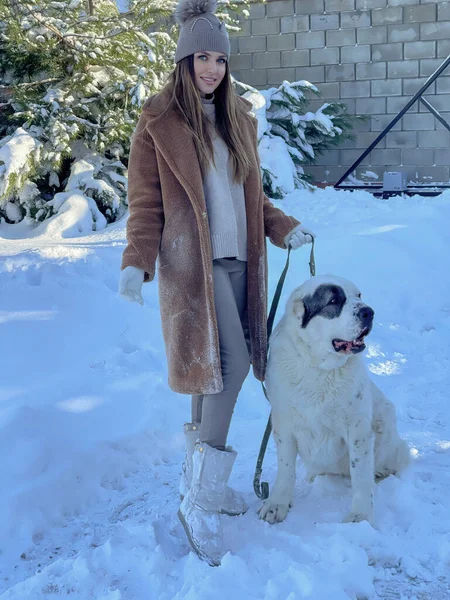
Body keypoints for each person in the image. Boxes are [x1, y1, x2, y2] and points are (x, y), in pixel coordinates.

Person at [119, 0, 314, 567]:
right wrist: (138, 261)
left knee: (212, 374)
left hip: (239, 267)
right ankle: (202, 500)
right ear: (183, 60)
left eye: (220, 59)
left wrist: (284, 228)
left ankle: (195, 481)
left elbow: (254, 199)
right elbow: (146, 203)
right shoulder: (158, 122)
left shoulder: (239, 120)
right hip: (191, 273)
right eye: (201, 57)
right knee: (226, 368)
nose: (211, 69)